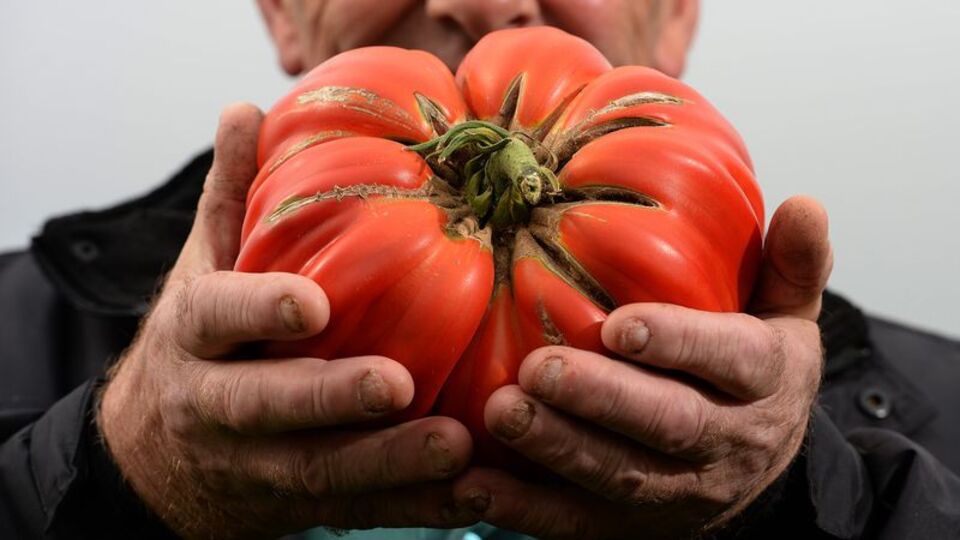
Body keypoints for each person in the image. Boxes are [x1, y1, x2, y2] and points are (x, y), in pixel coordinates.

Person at [1, 1, 958, 538]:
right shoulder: (11, 328)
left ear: (675, 20)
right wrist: (117, 470)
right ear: (284, 12)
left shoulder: (942, 407)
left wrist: (790, 500)